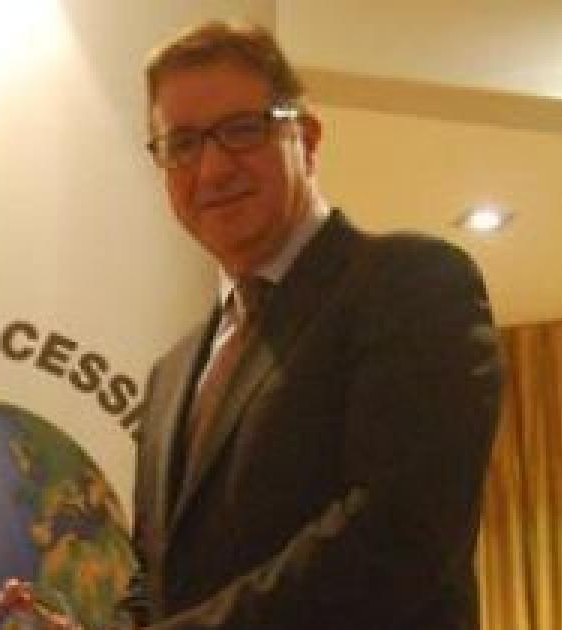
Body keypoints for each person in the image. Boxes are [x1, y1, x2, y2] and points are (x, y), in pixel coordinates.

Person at [119, 19, 503, 629]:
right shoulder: (170, 377)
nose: (212, 170)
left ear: (307, 135)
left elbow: (399, 535)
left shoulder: (412, 284)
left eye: (241, 131)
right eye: (183, 144)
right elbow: (159, 577)